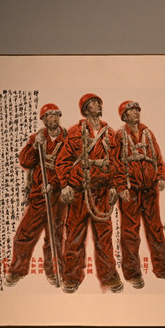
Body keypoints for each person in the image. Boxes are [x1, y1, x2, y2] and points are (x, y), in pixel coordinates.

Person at [55, 93, 125, 294]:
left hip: (102, 194)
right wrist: (65, 185)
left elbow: (117, 162)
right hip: (78, 193)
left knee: (105, 238)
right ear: (85, 110)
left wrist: (114, 187)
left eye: (98, 103)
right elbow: (62, 161)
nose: (97, 105)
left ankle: (109, 277)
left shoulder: (110, 133)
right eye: (93, 103)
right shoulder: (74, 132)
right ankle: (71, 277)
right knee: (74, 237)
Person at [115, 101, 165, 288]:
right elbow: (115, 163)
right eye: (131, 111)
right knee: (130, 232)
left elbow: (158, 157)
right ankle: (132, 274)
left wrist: (161, 176)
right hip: (130, 190)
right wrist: (121, 187)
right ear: (124, 116)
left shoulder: (148, 133)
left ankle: (164, 269)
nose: (135, 113)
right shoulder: (119, 135)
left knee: (155, 229)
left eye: (137, 110)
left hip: (150, 189)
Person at [4, 103, 67, 287]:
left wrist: (53, 183)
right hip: (39, 193)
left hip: (59, 194)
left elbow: (70, 166)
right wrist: (34, 146)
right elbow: (25, 162)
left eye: (56, 115)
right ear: (43, 120)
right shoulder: (36, 138)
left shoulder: (68, 138)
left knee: (55, 235)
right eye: (49, 116)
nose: (53, 119)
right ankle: (17, 270)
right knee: (24, 233)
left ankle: (54, 271)